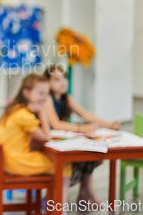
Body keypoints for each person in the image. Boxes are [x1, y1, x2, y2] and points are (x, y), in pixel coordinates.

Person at [43, 64, 120, 203]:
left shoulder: (67, 98)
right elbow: (56, 124)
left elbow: (85, 114)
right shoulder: (47, 99)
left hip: (62, 140)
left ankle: (85, 191)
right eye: (56, 79)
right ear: (47, 82)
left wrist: (108, 124)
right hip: (48, 143)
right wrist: (82, 128)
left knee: (92, 153)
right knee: (82, 155)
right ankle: (58, 194)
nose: (62, 82)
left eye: (64, 78)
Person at [0, 73, 71, 204]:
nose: (45, 98)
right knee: (64, 166)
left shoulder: (13, 110)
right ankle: (58, 208)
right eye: (41, 93)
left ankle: (48, 201)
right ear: (26, 93)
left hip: (6, 163)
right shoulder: (24, 115)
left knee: (52, 160)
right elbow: (46, 137)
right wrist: (42, 112)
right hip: (17, 163)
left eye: (47, 94)